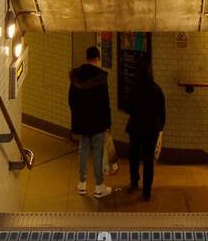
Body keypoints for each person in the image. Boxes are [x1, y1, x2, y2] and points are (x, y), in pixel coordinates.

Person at [68, 45, 113, 198]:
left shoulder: (76, 76)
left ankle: (82, 184)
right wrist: (108, 124)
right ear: (97, 59)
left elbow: (71, 100)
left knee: (83, 151)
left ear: (87, 58)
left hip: (82, 120)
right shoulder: (101, 78)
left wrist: (77, 115)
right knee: (98, 153)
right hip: (98, 121)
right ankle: (99, 186)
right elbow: (105, 103)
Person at [124, 60, 166, 201]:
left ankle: (134, 182)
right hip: (151, 130)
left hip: (135, 128)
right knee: (148, 160)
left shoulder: (134, 89)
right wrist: (160, 126)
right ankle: (147, 191)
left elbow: (127, 107)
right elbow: (162, 111)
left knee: (134, 156)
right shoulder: (157, 90)